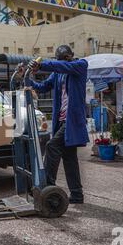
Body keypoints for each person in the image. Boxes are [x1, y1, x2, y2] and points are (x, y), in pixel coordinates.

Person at [27, 45, 89, 204]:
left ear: (71, 56)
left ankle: (47, 186)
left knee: (52, 146)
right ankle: (77, 195)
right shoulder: (57, 74)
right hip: (61, 120)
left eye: (66, 58)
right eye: (62, 60)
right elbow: (41, 87)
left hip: (72, 121)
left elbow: (64, 66)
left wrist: (42, 64)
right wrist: (27, 78)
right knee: (69, 158)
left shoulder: (80, 65)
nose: (65, 61)